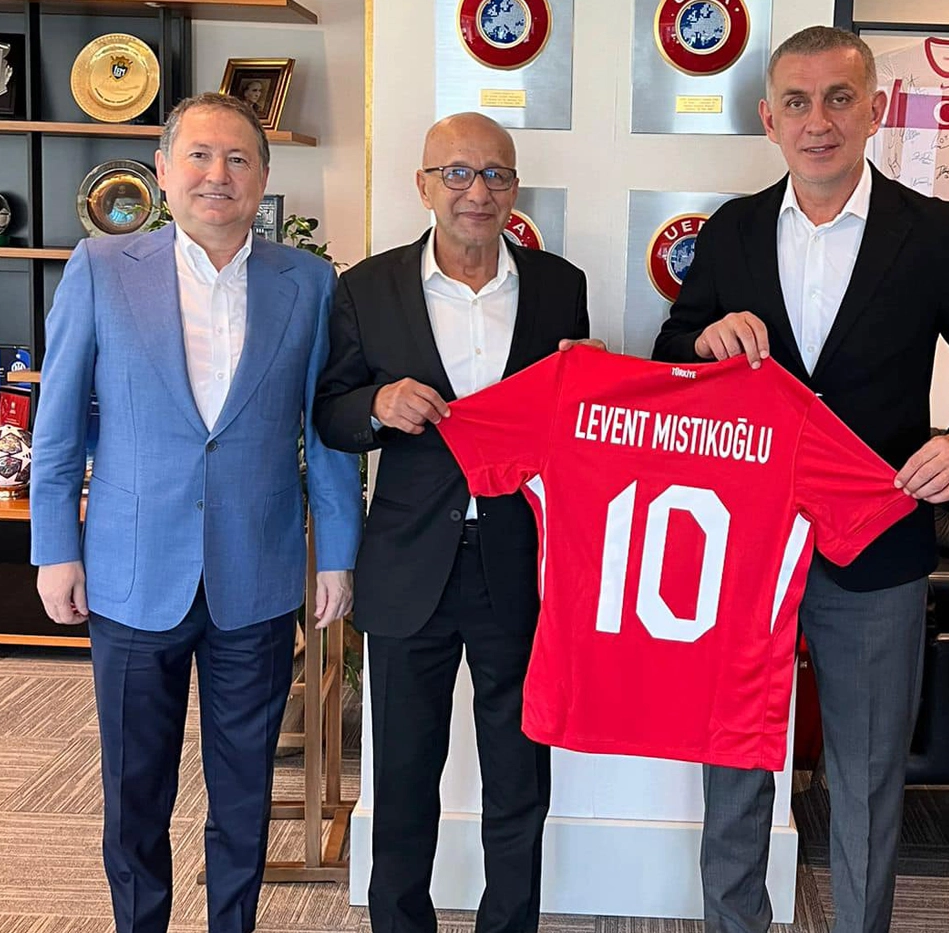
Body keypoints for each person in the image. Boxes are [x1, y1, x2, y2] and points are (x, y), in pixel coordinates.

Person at [652, 25, 949, 933]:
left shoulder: (935, 234)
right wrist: (703, 340)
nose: (818, 121)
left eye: (839, 98)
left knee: (867, 772)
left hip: (878, 543)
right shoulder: (732, 229)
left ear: (875, 110)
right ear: (769, 119)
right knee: (736, 763)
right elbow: (670, 354)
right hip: (745, 546)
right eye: (798, 103)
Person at [30, 92, 362, 933]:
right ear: (163, 171)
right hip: (132, 572)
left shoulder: (307, 282)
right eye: (200, 156)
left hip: (256, 572)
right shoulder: (102, 267)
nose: (219, 175)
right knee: (135, 789)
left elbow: (324, 431)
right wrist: (54, 547)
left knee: (243, 791)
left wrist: (336, 552)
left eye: (239, 159)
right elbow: (58, 423)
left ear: (263, 177)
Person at [313, 112, 597, 933]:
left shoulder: (559, 286)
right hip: (409, 566)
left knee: (519, 781)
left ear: (515, 188)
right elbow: (329, 413)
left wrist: (588, 385)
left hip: (520, 563)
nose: (478, 191)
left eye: (496, 174)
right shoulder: (368, 287)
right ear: (424, 185)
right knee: (403, 781)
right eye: (459, 173)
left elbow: (575, 423)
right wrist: (376, 403)